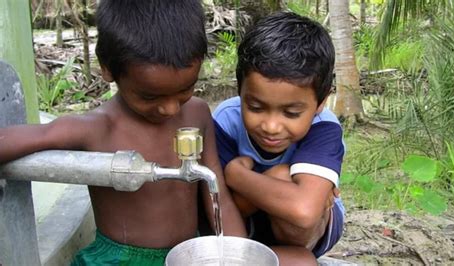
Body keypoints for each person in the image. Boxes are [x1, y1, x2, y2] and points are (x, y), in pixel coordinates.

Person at [0, 0, 246, 265]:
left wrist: (239, 254)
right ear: (107, 67)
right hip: (119, 260)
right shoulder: (97, 127)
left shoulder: (198, 114)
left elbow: (217, 195)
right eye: (149, 96)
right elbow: (21, 139)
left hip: (188, 255)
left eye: (186, 89)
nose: (170, 108)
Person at [212, 12, 345, 265]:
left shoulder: (324, 127)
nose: (271, 126)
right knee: (283, 178)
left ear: (321, 102)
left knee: (282, 175)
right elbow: (223, 209)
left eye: (291, 113)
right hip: (246, 227)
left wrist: (236, 176)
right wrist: (286, 189)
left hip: (305, 235)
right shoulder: (226, 119)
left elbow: (304, 212)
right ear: (239, 90)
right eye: (256, 107)